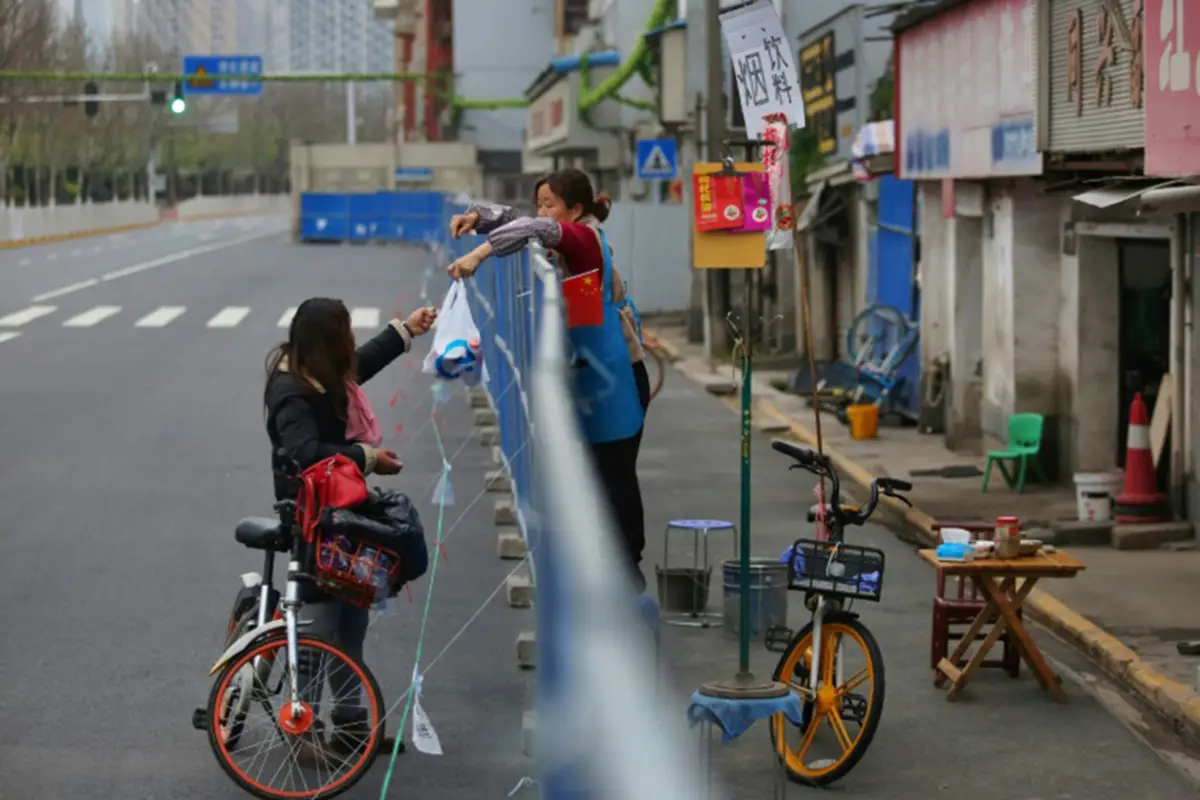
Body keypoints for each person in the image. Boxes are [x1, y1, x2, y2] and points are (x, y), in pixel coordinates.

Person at [447, 169, 650, 591]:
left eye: (550, 203)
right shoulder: (575, 234)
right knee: (598, 474)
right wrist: (479, 217)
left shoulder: (584, 240)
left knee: (615, 475)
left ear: (575, 210)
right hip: (597, 373)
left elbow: (535, 228)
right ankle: (606, 566)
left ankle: (628, 571)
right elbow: (522, 222)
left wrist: (478, 255)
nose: (541, 212)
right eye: (539, 202)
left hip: (619, 378)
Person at [263, 297, 436, 755]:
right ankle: (302, 730)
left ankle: (350, 726)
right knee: (319, 632)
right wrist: (367, 457)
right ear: (327, 344)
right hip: (311, 516)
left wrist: (406, 331)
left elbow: (361, 364)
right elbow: (305, 455)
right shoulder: (291, 391)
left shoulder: (323, 374)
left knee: (353, 616)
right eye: (344, 334)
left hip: (343, 506)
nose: (352, 344)